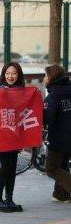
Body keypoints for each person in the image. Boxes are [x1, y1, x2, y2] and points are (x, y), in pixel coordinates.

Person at [0, 62, 25, 212]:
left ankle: (9, 199)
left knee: (12, 169)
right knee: (5, 167)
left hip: (15, 136)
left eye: (14, 73)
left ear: (19, 75)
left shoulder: (23, 92)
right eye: (7, 73)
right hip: (1, 136)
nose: (10, 76)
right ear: (3, 75)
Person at [43, 64, 71, 202]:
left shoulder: (53, 97)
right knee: (63, 165)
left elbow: (47, 118)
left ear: (50, 78)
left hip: (59, 139)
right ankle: (61, 194)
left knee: (51, 168)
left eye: (45, 76)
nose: (44, 79)